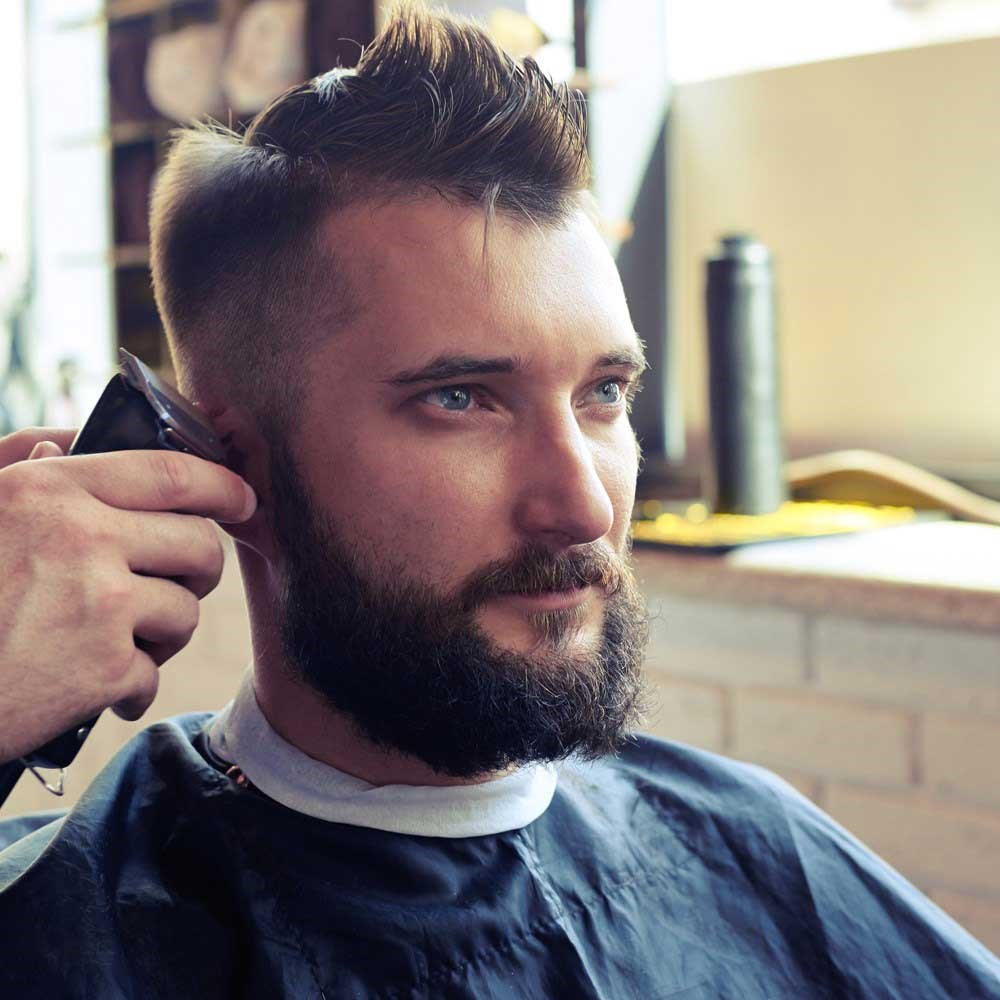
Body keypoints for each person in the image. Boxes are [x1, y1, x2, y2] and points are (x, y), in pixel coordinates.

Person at [0, 6, 997, 997]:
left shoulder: (755, 844)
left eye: (604, 393)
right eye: (460, 398)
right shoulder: (72, 925)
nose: (584, 508)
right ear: (230, 460)